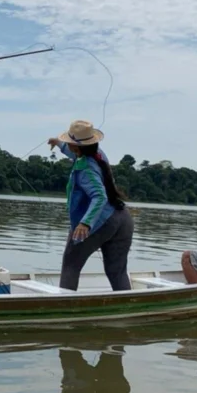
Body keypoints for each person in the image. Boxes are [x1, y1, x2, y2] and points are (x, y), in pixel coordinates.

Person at [48, 120, 135, 291]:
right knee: (117, 271)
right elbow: (74, 153)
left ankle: (64, 307)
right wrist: (57, 143)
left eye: (68, 142)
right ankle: (126, 305)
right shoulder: (97, 154)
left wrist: (85, 222)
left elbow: (99, 196)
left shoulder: (85, 169)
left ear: (76, 147)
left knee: (70, 266)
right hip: (122, 217)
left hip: (100, 222)